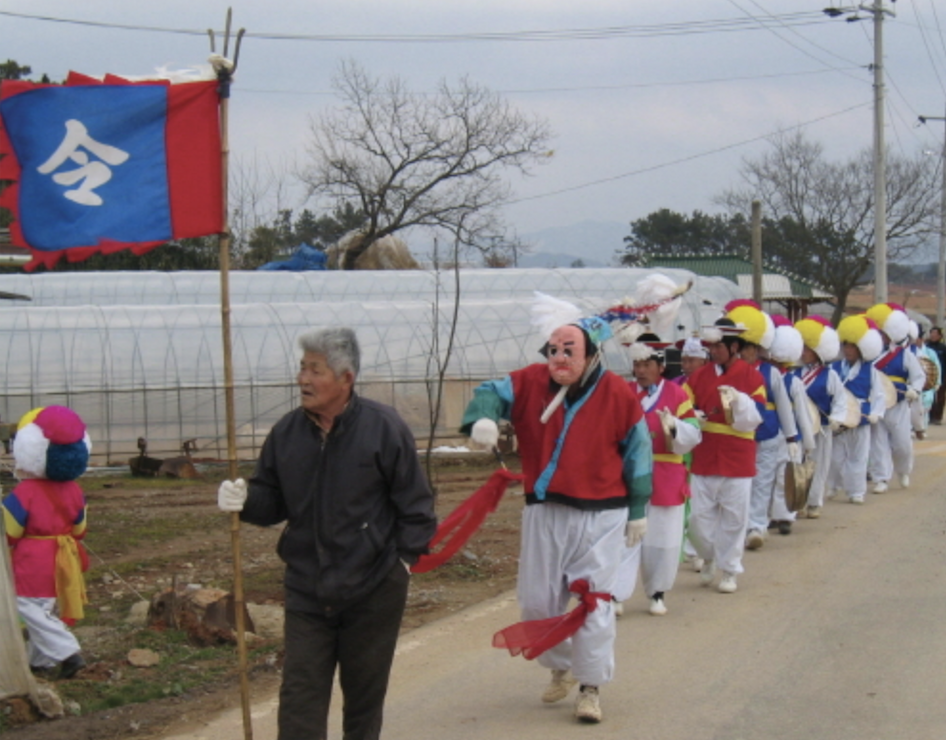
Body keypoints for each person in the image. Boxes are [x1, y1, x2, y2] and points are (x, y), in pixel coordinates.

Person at [217, 327, 437, 740]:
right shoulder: (287, 433)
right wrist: (243, 498)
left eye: (314, 370)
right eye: (302, 368)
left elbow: (416, 505)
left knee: (363, 700)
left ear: (345, 378)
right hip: (307, 588)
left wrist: (402, 564)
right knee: (300, 696)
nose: (302, 379)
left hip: (373, 588)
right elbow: (273, 500)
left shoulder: (383, 428)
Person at [461, 308, 652, 724]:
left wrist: (638, 509)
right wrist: (482, 418)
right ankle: (562, 665)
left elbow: (639, 452)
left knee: (594, 602)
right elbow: (489, 390)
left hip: (602, 513)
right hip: (546, 511)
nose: (560, 358)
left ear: (591, 354)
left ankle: (590, 686)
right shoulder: (530, 381)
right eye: (554, 350)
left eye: (570, 350)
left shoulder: (618, 393)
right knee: (536, 603)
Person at [613, 334, 701, 617]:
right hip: (630, 474)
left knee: (663, 537)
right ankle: (617, 593)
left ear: (660, 366)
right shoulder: (625, 393)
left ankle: (657, 591)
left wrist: (673, 425)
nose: (640, 370)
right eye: (636, 364)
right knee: (626, 535)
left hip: (667, 471)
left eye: (646, 364)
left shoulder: (677, 394)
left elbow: (693, 433)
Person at [2, 406, 91, 679]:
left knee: (27, 607)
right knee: (44, 606)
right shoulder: (75, 489)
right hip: (64, 555)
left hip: (34, 558)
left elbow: (10, 531)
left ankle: (68, 653)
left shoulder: (25, 492)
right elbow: (80, 528)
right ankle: (38, 663)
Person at [683, 316, 765, 594]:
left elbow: (759, 416)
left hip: (737, 456)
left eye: (719, 346)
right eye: (711, 346)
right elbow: (684, 406)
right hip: (705, 455)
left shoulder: (752, 376)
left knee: (734, 519)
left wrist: (740, 401)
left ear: (734, 347)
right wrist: (694, 416)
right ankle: (709, 555)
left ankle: (730, 570)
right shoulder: (698, 376)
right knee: (696, 519)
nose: (713, 351)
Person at [723, 301, 800, 548]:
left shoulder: (771, 372)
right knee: (740, 483)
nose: (748, 353)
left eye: (752, 348)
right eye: (744, 348)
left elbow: (784, 406)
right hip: (737, 436)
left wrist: (791, 438)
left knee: (762, 481)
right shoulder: (728, 372)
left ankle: (756, 526)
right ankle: (741, 525)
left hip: (767, 434)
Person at [864, 303, 925, 492]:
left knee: (902, 443)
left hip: (898, 404)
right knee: (878, 443)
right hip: (878, 403)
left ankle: (903, 470)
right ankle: (881, 478)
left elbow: (918, 376)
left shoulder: (904, 355)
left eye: (883, 333)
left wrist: (914, 389)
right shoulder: (870, 355)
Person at [792, 315, 848, 519]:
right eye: (803, 348)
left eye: (808, 349)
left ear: (818, 351)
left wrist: (836, 417)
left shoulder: (830, 374)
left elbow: (840, 398)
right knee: (798, 463)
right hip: (799, 426)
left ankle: (815, 502)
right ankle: (799, 501)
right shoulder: (794, 374)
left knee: (819, 463)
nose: (804, 353)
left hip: (822, 426)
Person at [829, 315, 887, 504]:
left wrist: (876, 414)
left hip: (861, 416)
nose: (848, 350)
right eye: (845, 345)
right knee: (836, 458)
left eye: (852, 346)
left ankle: (856, 492)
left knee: (858, 456)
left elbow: (879, 394)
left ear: (861, 348)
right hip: (840, 417)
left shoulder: (870, 370)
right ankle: (834, 485)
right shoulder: (834, 368)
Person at [927, 326, 946, 424]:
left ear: (939, 336)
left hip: (941, 376)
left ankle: (937, 417)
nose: (933, 335)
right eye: (932, 333)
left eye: (935, 334)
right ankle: (929, 416)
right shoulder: (927, 347)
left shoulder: (943, 348)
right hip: (929, 376)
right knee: (929, 396)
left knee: (940, 397)